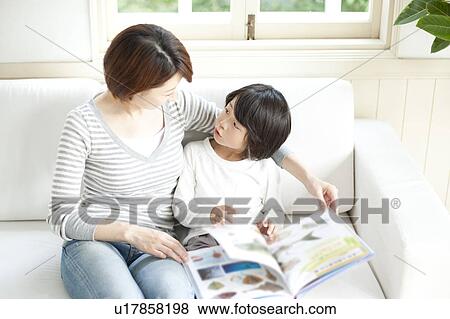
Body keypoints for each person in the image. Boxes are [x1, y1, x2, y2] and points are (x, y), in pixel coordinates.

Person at [46, 24, 338, 299]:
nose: (175, 96)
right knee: (124, 301)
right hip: (98, 244)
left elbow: (256, 136)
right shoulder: (82, 124)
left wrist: (309, 179)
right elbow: (61, 216)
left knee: (175, 298)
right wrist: (129, 232)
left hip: (159, 245)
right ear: (134, 87)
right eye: (166, 91)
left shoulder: (177, 106)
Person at [173, 84, 291, 251]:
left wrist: (272, 226)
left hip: (249, 240)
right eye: (227, 110)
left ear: (255, 139)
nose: (222, 122)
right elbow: (180, 209)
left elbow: (276, 211)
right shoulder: (194, 152)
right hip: (206, 240)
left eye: (235, 125)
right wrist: (210, 214)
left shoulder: (266, 167)